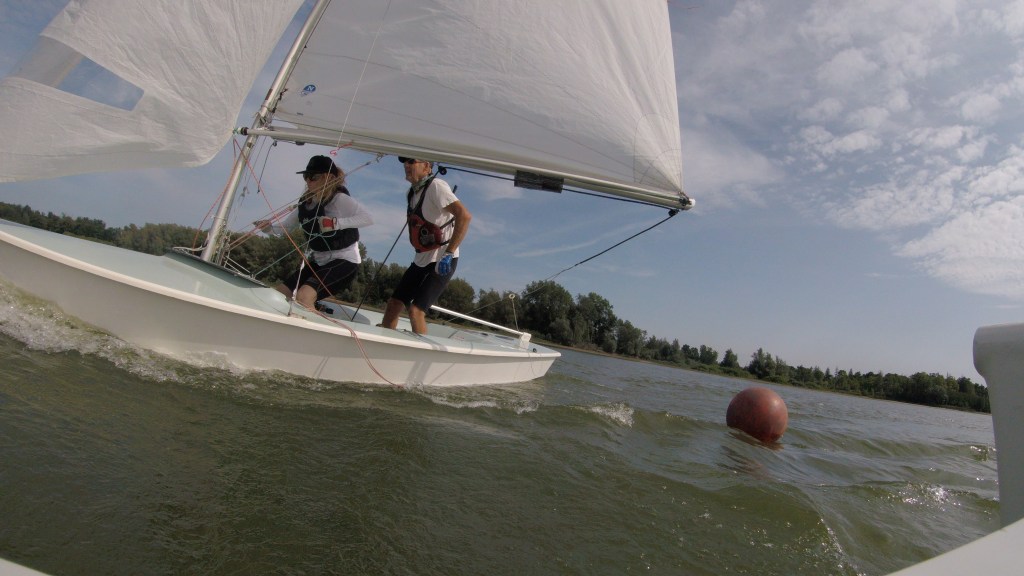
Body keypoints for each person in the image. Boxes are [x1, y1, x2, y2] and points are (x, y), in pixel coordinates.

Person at [255, 155, 373, 310]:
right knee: (280, 293)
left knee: (304, 297)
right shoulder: (306, 203)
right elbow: (286, 228)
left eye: (313, 177)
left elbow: (368, 218)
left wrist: (335, 223)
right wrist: (268, 228)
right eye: (306, 177)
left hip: (344, 261)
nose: (308, 181)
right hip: (319, 261)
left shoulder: (339, 199)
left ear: (328, 178)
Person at [380, 157, 471, 334]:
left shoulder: (436, 186)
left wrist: (449, 253)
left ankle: (418, 349)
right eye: (405, 162)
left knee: (416, 311)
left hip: (442, 259)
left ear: (427, 166)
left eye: (411, 161)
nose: (406, 165)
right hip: (421, 259)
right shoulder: (411, 193)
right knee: (394, 304)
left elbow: (464, 216)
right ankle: (382, 342)